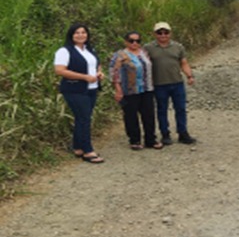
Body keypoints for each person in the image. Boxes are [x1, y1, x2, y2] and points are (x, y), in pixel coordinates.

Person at [54, 23, 104, 163]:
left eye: (83, 32)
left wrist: (99, 73)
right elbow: (60, 70)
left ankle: (78, 147)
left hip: (92, 88)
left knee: (82, 118)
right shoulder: (65, 51)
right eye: (77, 32)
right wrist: (84, 77)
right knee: (84, 118)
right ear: (71, 35)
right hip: (74, 89)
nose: (81, 35)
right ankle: (88, 151)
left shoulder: (90, 49)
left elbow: (97, 64)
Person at [144, 22, 196, 145]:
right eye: (160, 33)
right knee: (162, 110)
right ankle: (165, 134)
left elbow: (184, 63)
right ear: (155, 34)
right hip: (159, 84)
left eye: (166, 32)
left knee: (181, 109)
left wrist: (189, 76)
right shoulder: (148, 48)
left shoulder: (178, 47)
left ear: (170, 33)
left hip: (177, 83)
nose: (163, 35)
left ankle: (183, 133)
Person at [109, 32, 163, 151]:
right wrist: (118, 90)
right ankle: (134, 140)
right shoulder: (120, 55)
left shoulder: (144, 53)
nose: (135, 43)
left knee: (149, 115)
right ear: (126, 42)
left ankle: (150, 139)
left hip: (147, 88)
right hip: (129, 90)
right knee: (131, 116)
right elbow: (114, 73)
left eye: (137, 41)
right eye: (131, 41)